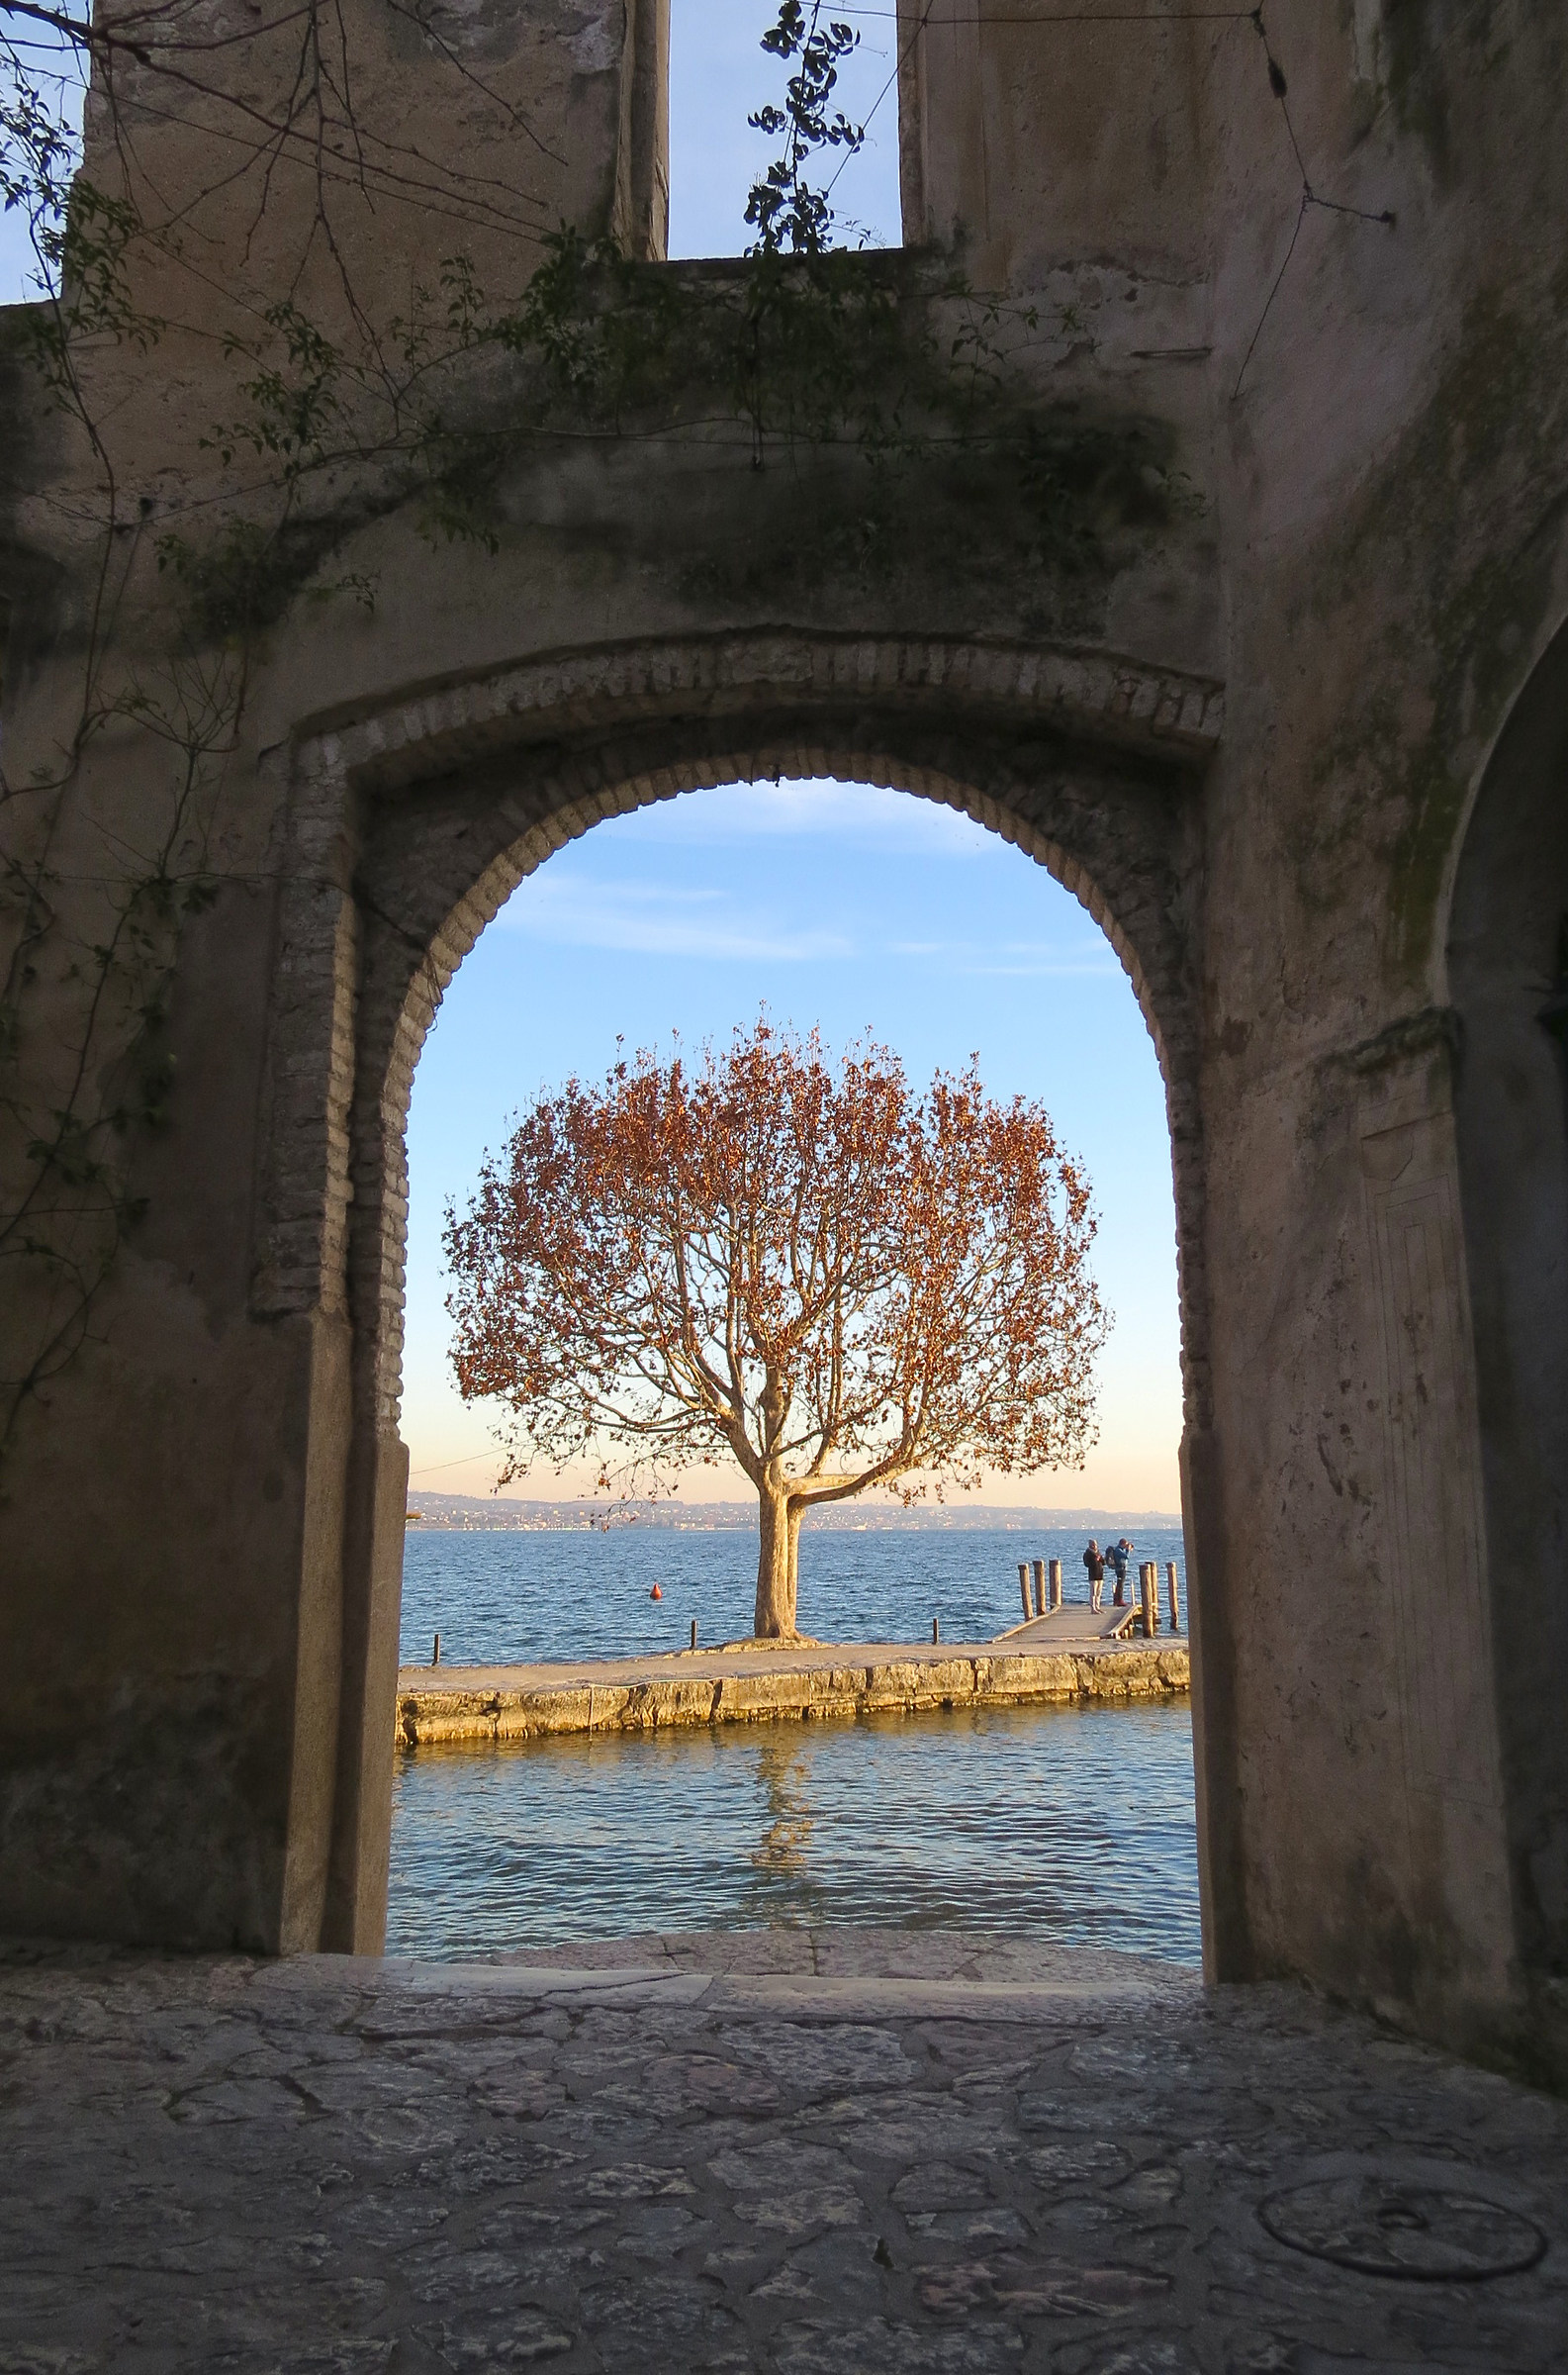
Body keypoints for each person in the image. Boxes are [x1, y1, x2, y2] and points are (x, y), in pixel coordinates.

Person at [1082, 1537, 1106, 1612]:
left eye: (1096, 1544)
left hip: (1100, 1574)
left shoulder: (1098, 1552)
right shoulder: (1087, 1553)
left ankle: (1097, 1606)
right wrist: (1094, 1560)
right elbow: (1086, 1564)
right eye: (1094, 1544)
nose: (1095, 1546)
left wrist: (1101, 1559)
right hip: (1093, 1575)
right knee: (1093, 1593)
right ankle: (1093, 1608)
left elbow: (1104, 1562)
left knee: (1099, 1593)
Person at [1110, 1537, 1132, 1605]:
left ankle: (1117, 1599)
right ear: (1123, 1544)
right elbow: (1126, 1556)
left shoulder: (1119, 1549)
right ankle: (1119, 1600)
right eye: (1125, 1545)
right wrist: (1128, 1550)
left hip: (1121, 1569)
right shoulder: (1118, 1550)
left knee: (1120, 1584)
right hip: (1120, 1569)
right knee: (1120, 1585)